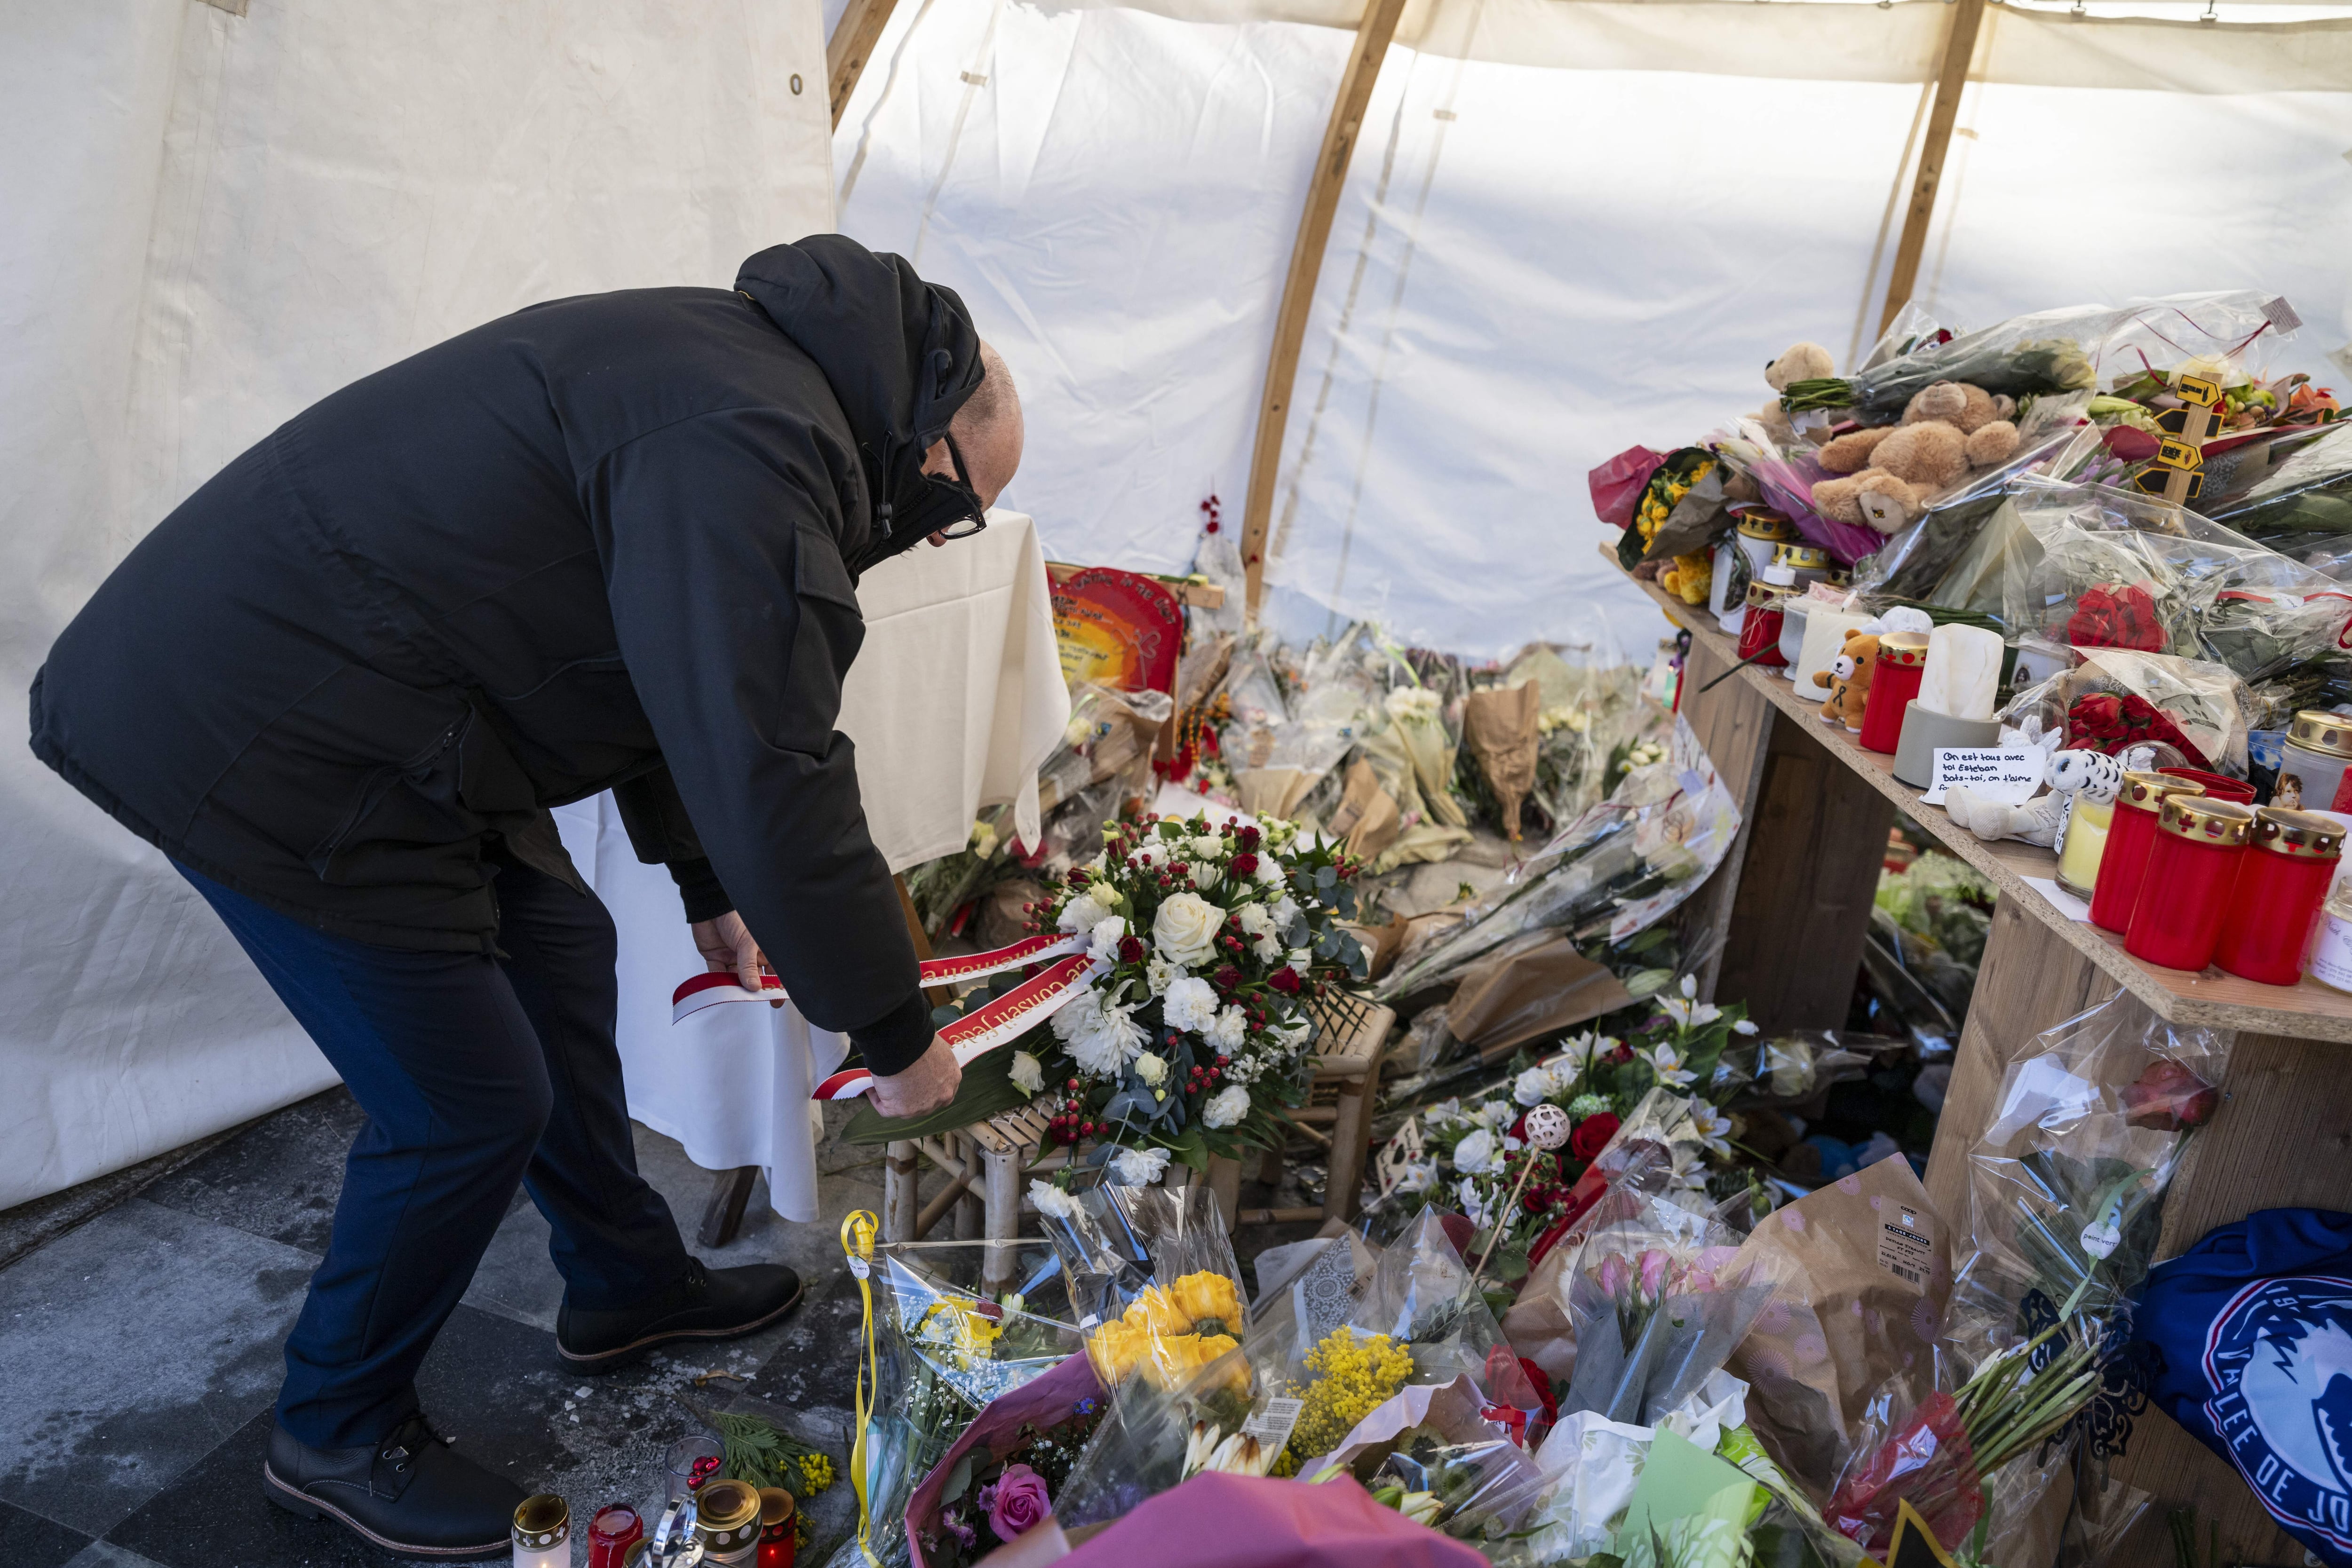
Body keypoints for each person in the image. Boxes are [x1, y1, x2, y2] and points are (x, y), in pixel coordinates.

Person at [28, 235, 1022, 1557]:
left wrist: (708, 880)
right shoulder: (754, 439)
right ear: (927, 435)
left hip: (391, 694)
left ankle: (623, 1283)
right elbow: (770, 759)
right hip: (259, 724)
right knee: (463, 1103)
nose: (938, 534)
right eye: (958, 506)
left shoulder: (753, 384)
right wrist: (893, 1033)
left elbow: (676, 671)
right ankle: (335, 1431)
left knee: (558, 941)